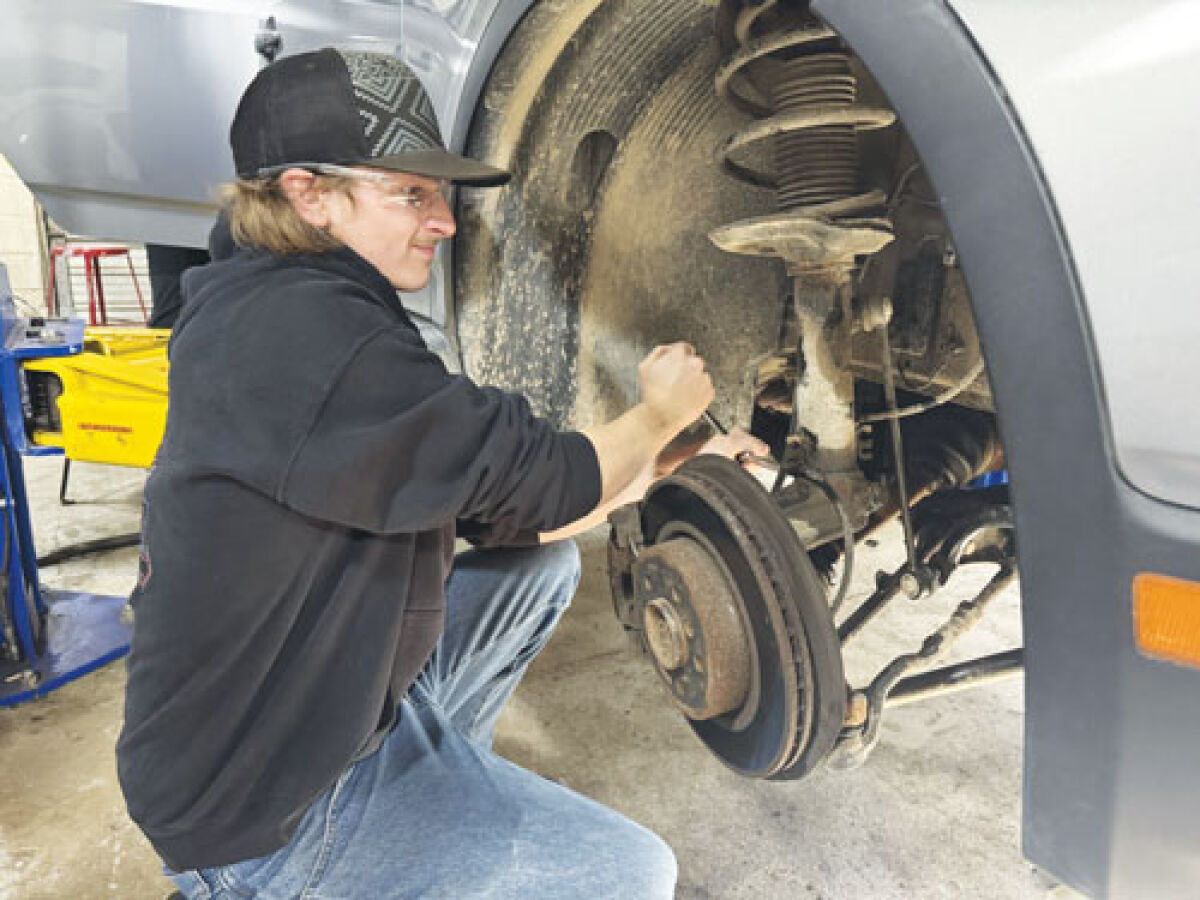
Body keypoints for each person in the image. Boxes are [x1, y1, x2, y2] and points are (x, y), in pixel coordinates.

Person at [116, 48, 765, 899]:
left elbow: (509, 510)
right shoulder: (307, 343)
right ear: (310, 194)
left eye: (440, 195)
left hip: (310, 709)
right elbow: (544, 479)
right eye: (409, 194)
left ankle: (436, 804)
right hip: (259, 814)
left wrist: (677, 467)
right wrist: (656, 414)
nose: (446, 222)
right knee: (633, 873)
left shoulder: (282, 299)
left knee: (536, 568)